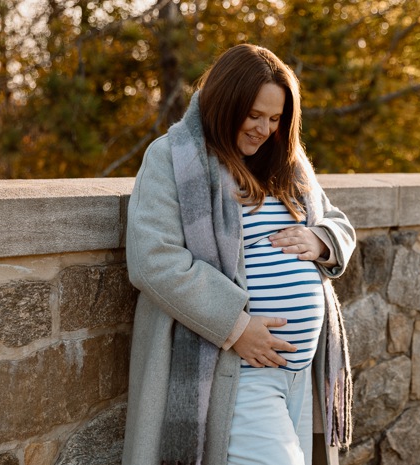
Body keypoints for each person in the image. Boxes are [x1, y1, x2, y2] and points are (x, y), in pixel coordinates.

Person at [122, 44, 356, 465]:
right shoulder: (174, 158)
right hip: (235, 371)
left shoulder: (289, 162)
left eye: (275, 118)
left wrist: (321, 240)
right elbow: (153, 259)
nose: (264, 129)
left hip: (302, 373)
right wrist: (235, 326)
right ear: (225, 103)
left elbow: (339, 222)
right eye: (253, 115)